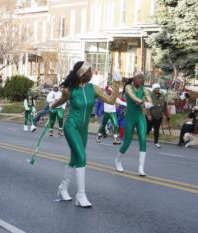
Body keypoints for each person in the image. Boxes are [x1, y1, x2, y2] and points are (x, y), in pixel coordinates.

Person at [51, 61, 121, 208]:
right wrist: (52, 106)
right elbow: (62, 101)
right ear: (81, 74)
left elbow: (110, 100)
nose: (90, 74)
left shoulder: (93, 89)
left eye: (90, 71)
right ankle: (80, 195)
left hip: (83, 129)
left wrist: (116, 83)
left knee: (75, 159)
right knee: (82, 157)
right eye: (88, 71)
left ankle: (63, 188)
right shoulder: (70, 90)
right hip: (71, 126)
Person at [115, 72, 152, 177]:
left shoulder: (143, 89)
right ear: (134, 79)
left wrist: (146, 102)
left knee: (143, 140)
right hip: (130, 117)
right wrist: (142, 101)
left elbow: (150, 100)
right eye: (139, 78)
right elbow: (133, 97)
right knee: (127, 142)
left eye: (142, 78)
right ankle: (117, 160)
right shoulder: (128, 87)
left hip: (140, 116)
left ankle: (141, 168)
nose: (141, 80)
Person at [146, 83, 170, 148]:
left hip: (159, 116)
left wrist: (167, 115)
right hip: (151, 115)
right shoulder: (150, 95)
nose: (158, 89)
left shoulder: (162, 96)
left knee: (157, 130)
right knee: (148, 128)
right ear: (153, 89)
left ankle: (156, 142)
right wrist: (148, 115)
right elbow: (147, 106)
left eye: (158, 88)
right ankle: (142, 139)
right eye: (156, 88)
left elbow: (164, 106)